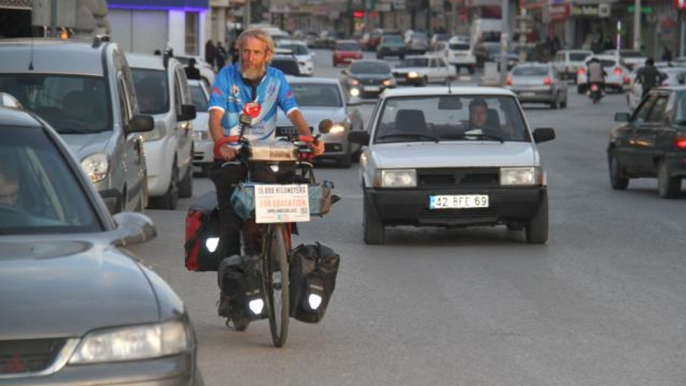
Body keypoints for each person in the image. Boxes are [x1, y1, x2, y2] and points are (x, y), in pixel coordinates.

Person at [207, 28, 325, 325]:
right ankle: (229, 293)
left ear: (267, 55)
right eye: (245, 51)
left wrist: (308, 138)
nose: (249, 57)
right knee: (230, 221)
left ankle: (277, 252)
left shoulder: (277, 79)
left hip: (264, 155)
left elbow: (294, 113)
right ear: (239, 51)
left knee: (280, 200)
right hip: (232, 155)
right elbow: (215, 117)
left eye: (256, 52)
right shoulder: (226, 77)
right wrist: (220, 145)